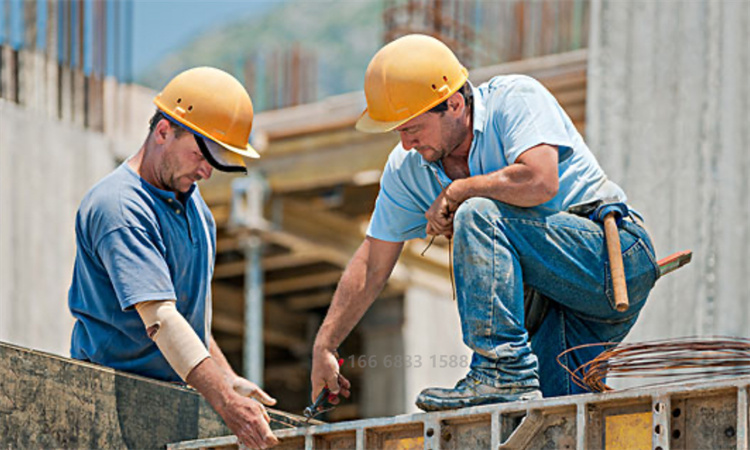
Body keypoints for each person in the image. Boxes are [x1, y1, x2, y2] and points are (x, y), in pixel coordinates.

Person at [311, 34, 660, 412]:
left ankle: (501, 372)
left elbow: (541, 180)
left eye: (412, 128)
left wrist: (461, 190)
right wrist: (325, 344)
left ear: (455, 104)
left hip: (611, 259)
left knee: (477, 213)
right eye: (399, 132)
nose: (407, 143)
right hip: (556, 308)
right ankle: (509, 377)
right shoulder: (407, 168)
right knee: (555, 419)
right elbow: (372, 261)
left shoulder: (515, 100)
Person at [68, 67, 279, 448]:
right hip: (109, 405)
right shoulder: (120, 208)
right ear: (163, 131)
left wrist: (227, 379)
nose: (206, 171)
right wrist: (226, 403)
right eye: (201, 155)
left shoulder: (196, 211)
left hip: (167, 402)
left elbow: (184, 318)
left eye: (215, 161)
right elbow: (161, 319)